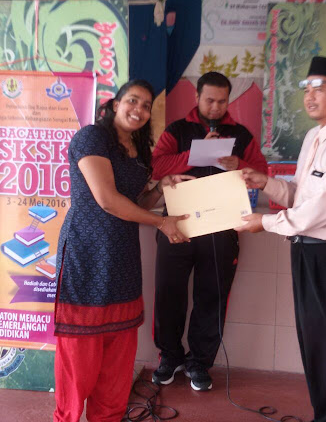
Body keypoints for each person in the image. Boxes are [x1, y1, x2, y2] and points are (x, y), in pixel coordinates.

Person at [237, 57, 326, 422]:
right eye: (306, 88)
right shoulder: (315, 137)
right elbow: (302, 196)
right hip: (308, 252)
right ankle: (324, 415)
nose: (309, 96)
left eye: (318, 87)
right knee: (316, 344)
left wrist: (266, 222)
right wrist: (266, 183)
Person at [53, 80, 193, 422]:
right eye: (132, 101)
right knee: (79, 355)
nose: (139, 110)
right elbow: (107, 200)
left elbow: (135, 204)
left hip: (122, 257)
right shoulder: (91, 138)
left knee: (118, 355)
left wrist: (161, 188)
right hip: (87, 253)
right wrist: (161, 223)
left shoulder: (139, 149)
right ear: (115, 104)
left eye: (146, 105)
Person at [150, 71, 268, 391]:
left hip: (221, 228)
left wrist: (238, 165)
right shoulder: (177, 130)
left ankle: (199, 363)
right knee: (168, 294)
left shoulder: (239, 135)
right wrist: (193, 155)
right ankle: (169, 357)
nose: (215, 107)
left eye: (222, 101)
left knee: (212, 296)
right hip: (177, 225)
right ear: (197, 97)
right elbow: (156, 167)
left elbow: (262, 173)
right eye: (209, 100)